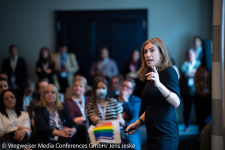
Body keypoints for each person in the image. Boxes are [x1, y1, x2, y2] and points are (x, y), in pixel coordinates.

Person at [126, 38, 181, 150]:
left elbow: (176, 102)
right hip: (152, 133)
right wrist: (138, 122)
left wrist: (159, 84)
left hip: (166, 134)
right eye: (145, 52)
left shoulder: (169, 71)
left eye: (152, 50)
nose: (147, 54)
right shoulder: (152, 74)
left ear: (161, 54)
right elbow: (153, 106)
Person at [116, 78, 141, 150]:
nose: (124, 88)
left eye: (127, 87)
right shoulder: (113, 99)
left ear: (131, 91)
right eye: (123, 86)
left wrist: (125, 100)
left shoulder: (136, 100)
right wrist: (123, 115)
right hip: (114, 129)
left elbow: (133, 114)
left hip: (129, 130)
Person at [65, 76, 91, 144]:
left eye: (80, 86)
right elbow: (72, 120)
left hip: (91, 126)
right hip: (77, 129)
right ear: (73, 87)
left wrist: (81, 119)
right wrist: (85, 118)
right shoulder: (68, 102)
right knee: (81, 128)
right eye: (76, 86)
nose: (78, 88)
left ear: (85, 89)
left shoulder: (90, 99)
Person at [180, 49, 200, 131]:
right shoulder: (184, 64)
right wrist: (194, 72)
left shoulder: (198, 64)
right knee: (187, 109)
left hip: (197, 90)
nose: (190, 56)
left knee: (198, 109)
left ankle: (200, 127)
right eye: (188, 54)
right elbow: (186, 73)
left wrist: (191, 73)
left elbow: (199, 74)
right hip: (186, 91)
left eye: (191, 54)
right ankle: (187, 125)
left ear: (194, 55)